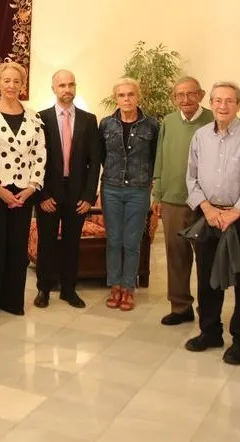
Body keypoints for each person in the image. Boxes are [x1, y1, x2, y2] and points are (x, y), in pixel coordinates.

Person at [184, 81, 240, 366]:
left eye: (229, 101)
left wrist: (234, 212)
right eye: (217, 100)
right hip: (208, 215)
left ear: (238, 104)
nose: (222, 106)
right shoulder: (200, 136)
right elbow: (191, 177)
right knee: (207, 277)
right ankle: (210, 332)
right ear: (211, 103)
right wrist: (206, 208)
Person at [0, 62, 46, 316]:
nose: (11, 85)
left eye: (16, 81)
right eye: (6, 80)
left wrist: (31, 188)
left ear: (22, 85)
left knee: (17, 250)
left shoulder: (34, 117)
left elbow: (40, 154)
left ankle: (12, 301)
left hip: (23, 192)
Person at [34, 69, 101, 310]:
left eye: (71, 84)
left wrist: (88, 195)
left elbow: (95, 162)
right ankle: (44, 289)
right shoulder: (40, 119)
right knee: (46, 242)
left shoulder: (89, 119)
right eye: (62, 85)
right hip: (49, 193)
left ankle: (69, 290)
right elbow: (35, 160)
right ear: (53, 88)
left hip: (77, 194)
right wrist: (41, 195)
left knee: (72, 242)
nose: (67, 89)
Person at [152, 77, 213, 325]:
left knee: (205, 257)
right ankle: (180, 307)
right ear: (173, 97)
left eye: (191, 94)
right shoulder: (168, 121)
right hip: (173, 199)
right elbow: (160, 158)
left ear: (201, 94)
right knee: (176, 255)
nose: (185, 99)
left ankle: (208, 310)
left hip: (205, 202)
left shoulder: (212, 119)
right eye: (180, 95)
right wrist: (158, 193)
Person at [98, 78, 159, 311]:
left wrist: (151, 183)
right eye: (122, 95)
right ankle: (114, 285)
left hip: (138, 189)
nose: (126, 99)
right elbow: (102, 156)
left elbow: (155, 158)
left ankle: (128, 287)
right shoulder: (105, 125)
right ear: (116, 99)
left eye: (131, 94)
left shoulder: (151, 126)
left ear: (138, 97)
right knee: (114, 240)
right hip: (111, 188)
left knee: (132, 241)